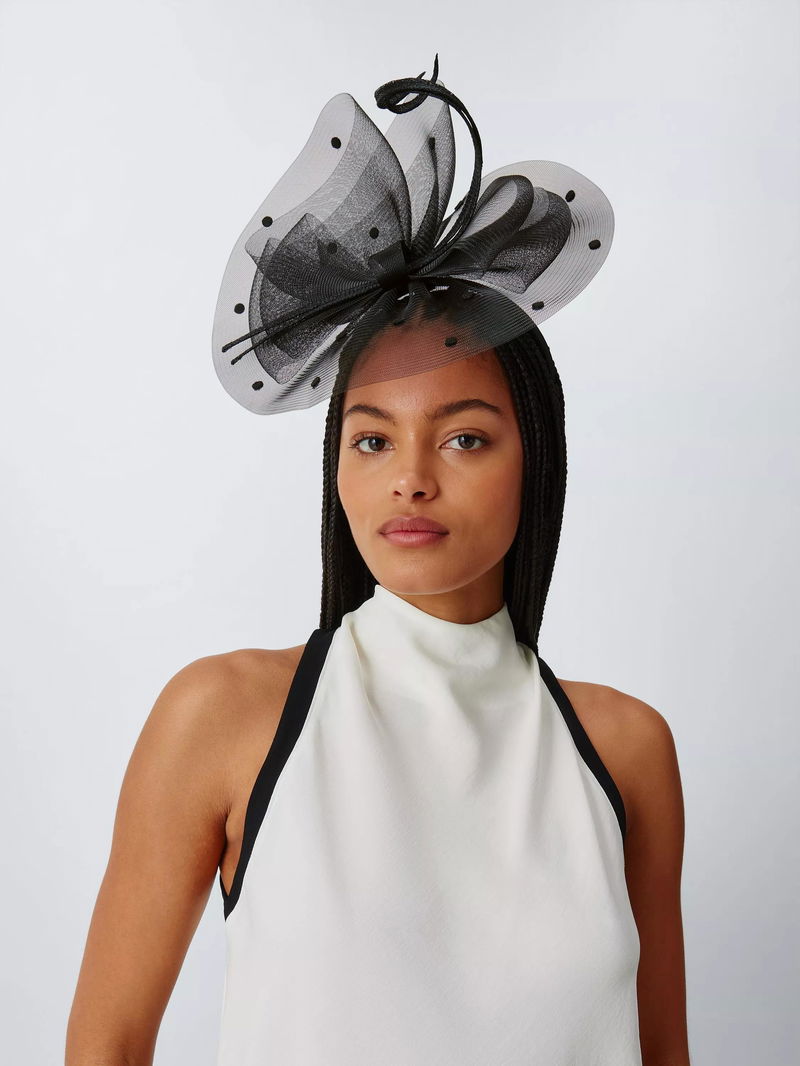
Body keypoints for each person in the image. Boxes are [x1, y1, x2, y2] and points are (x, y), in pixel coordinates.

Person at [66, 58, 690, 1065]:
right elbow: (106, 1045)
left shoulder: (625, 751)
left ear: (536, 455)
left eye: (464, 437)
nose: (409, 479)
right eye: (370, 439)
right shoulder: (224, 717)